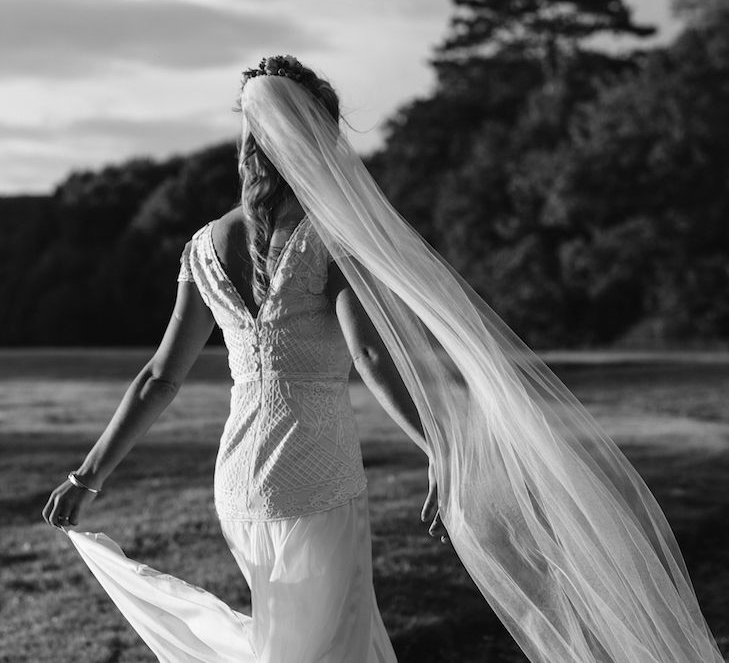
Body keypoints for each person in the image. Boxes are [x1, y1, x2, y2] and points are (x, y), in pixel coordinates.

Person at [43, 55, 723, 663]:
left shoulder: (201, 246)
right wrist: (438, 445)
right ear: (313, 138)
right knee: (326, 643)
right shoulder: (327, 236)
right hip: (317, 474)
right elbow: (368, 351)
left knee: (295, 640)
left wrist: (88, 475)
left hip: (238, 482)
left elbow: (159, 377)